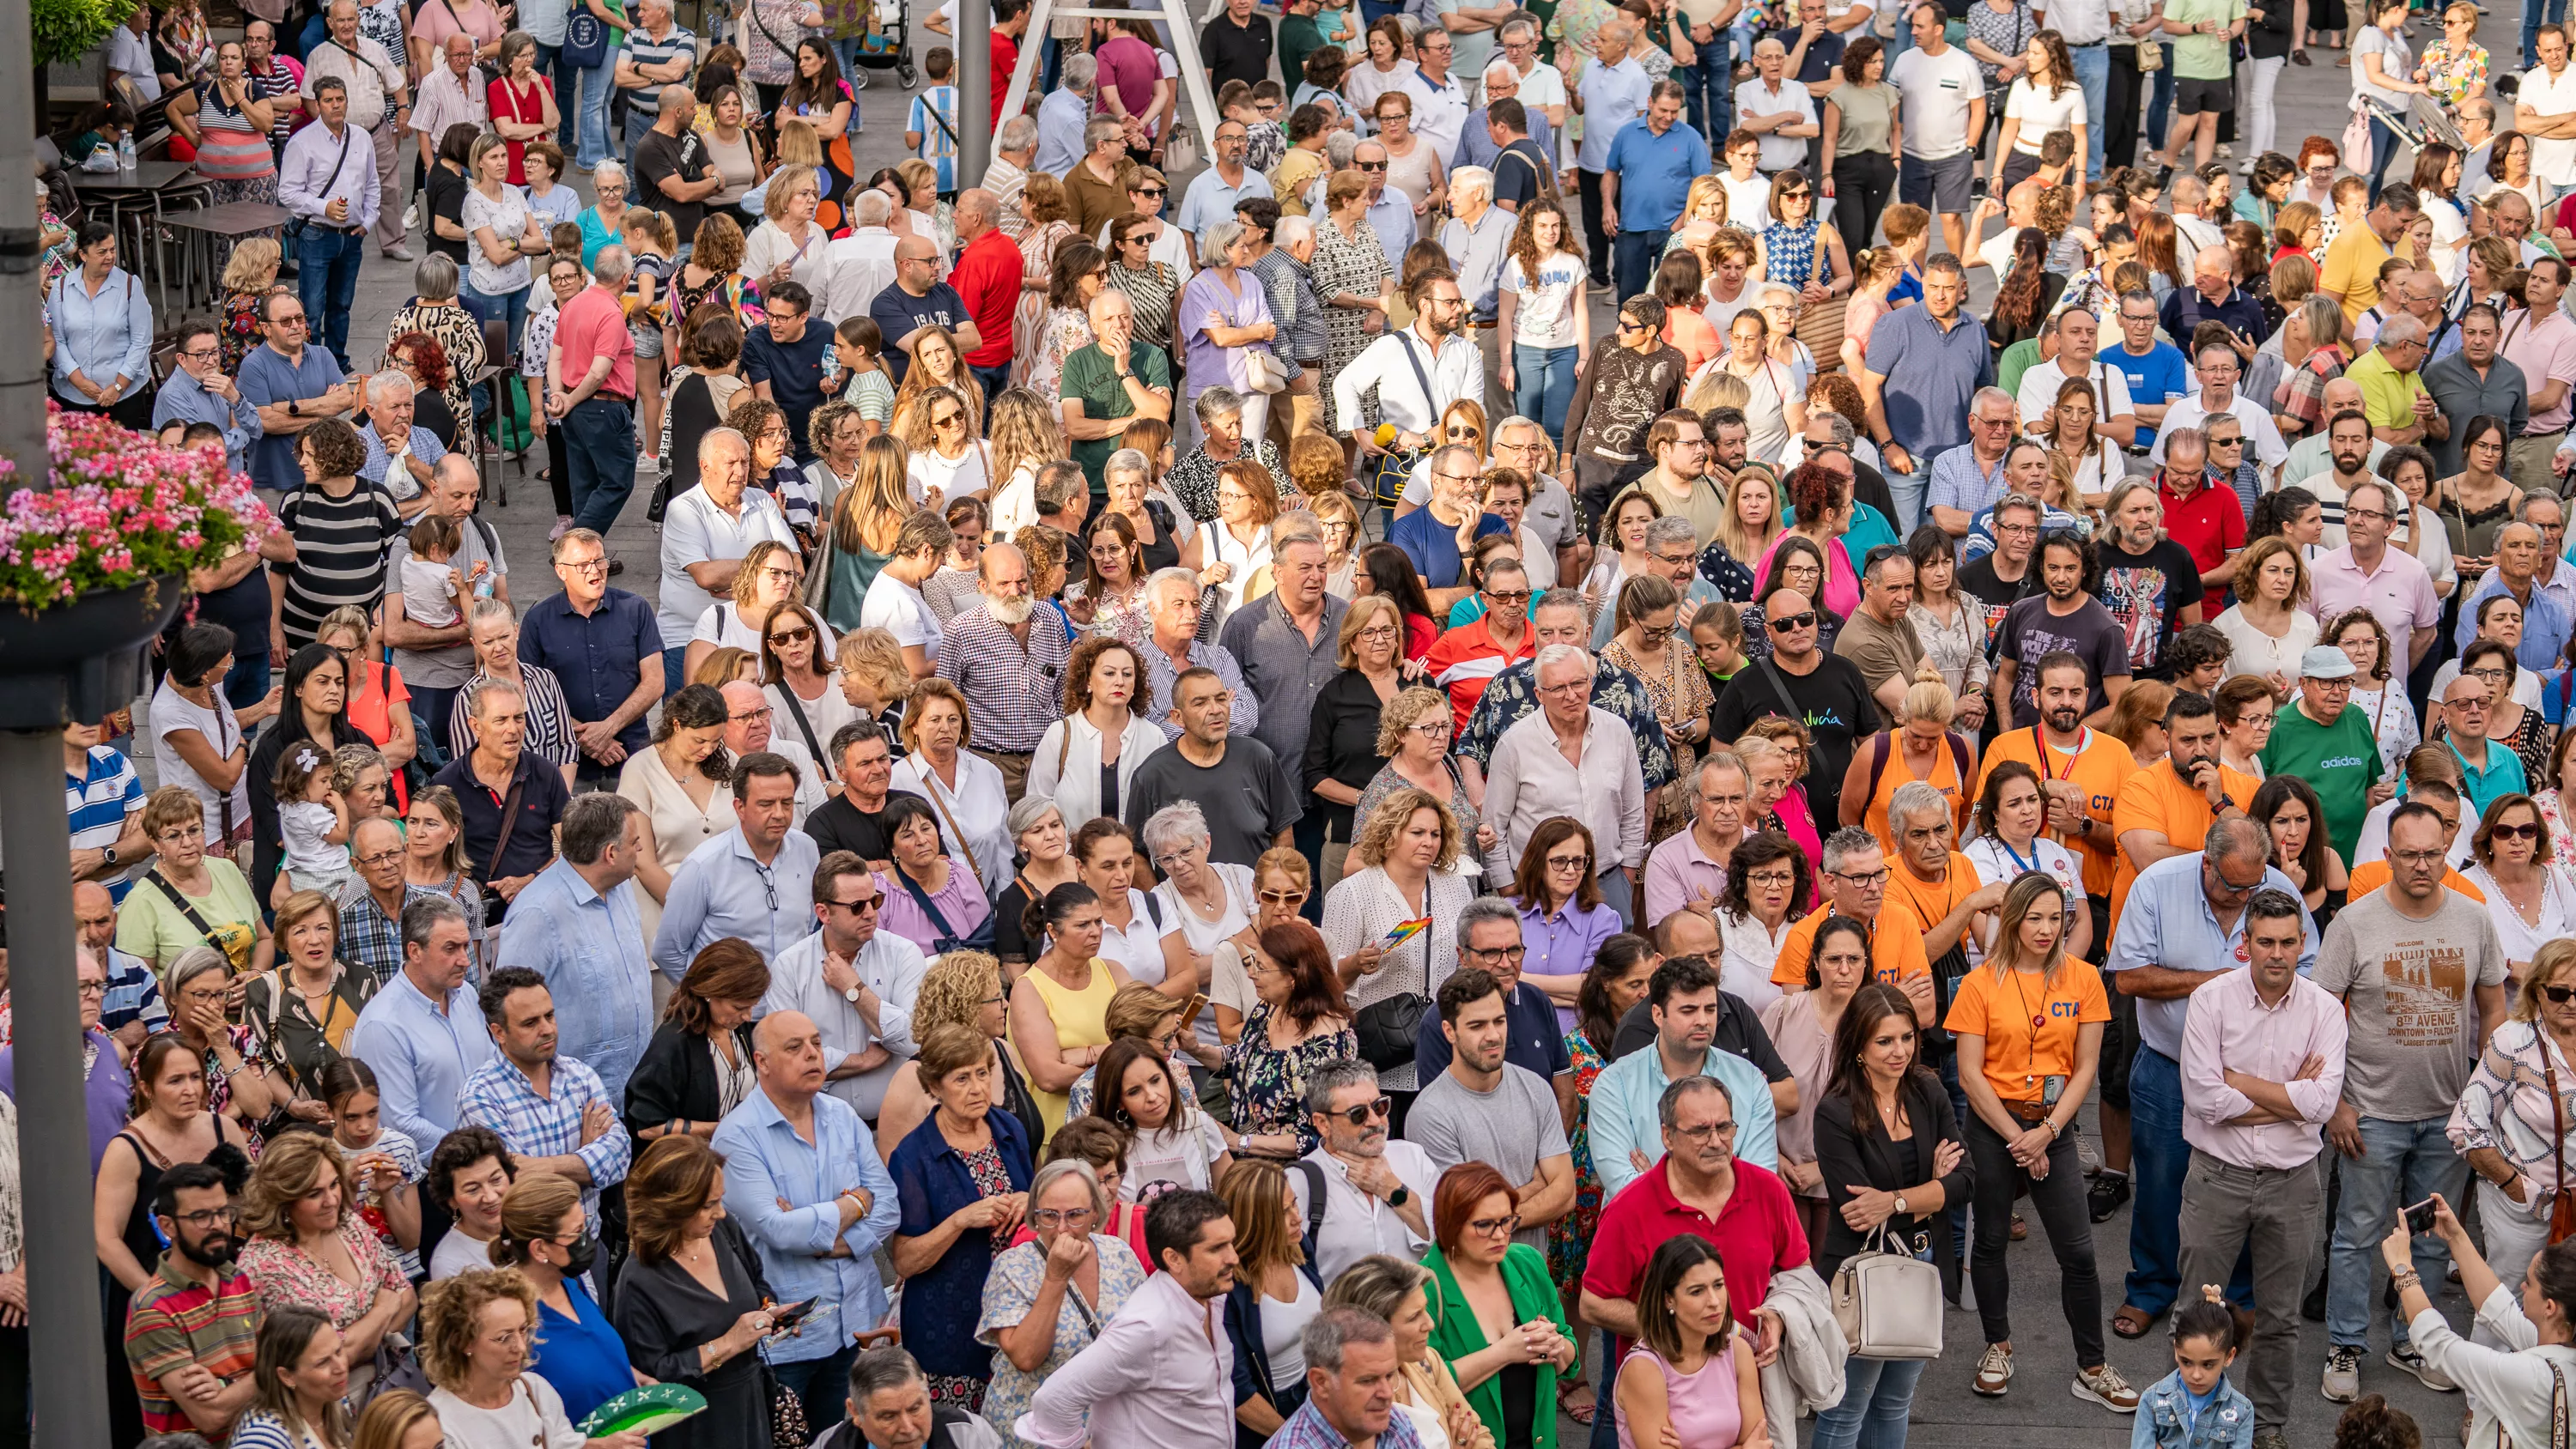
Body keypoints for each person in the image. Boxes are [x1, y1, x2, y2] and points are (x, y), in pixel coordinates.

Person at [2317, 800, 2512, 1403]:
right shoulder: (2353, 923)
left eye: (2433, 854)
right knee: (2355, 1235)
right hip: (2371, 1114)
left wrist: (2482, 1096)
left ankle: (2415, 1339)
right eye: (2410, 855)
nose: (2423, 865)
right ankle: (2345, 1347)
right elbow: (2320, 1020)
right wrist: (2338, 1105)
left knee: (2431, 1234)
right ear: (2388, 857)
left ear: (2446, 854)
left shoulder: (2475, 920)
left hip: (2448, 1117)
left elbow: (2493, 1010)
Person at [1944, 872, 2136, 1410]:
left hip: (2053, 1127)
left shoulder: (2083, 979)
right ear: (2012, 920)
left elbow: (2086, 1067)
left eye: (2057, 918)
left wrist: (2048, 1134)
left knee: (2077, 1251)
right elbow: (1969, 1074)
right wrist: (2016, 1139)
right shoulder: (1982, 982)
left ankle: (2092, 1366)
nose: (2047, 929)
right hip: (1993, 1126)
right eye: (2035, 918)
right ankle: (1997, 1345)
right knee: (1990, 1241)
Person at [1807, 981, 1967, 1448]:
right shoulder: (1834, 1112)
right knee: (1845, 1411)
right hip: (1859, 1274)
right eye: (1885, 1041)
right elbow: (1859, 1212)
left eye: (1907, 1038)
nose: (1900, 1051)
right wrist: (1932, 1192)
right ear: (1858, 1046)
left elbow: (1966, 1180)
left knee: (1896, 1403)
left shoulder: (1928, 1090)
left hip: (1921, 1266)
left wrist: (1897, 1200)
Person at [888, 1023, 1036, 1409]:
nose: (977, 1088)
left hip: (1017, 1310)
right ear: (934, 1087)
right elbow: (904, 1260)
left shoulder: (1009, 1129)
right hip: (949, 1322)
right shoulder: (914, 1155)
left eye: (983, 1073)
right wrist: (959, 1220)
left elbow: (1041, 1206)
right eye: (962, 1078)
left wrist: (1028, 1200)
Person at [605, 1134, 781, 1449]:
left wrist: (769, 1310)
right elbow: (651, 1376)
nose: (721, 1213)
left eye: (720, 1200)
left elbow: (757, 1280)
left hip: (750, 1406)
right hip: (694, 1427)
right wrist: (727, 1343)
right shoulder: (638, 1281)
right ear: (671, 1207)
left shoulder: (722, 1231)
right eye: (708, 1205)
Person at [233, 1135, 418, 1397]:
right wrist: (383, 1309)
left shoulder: (347, 1224)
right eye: (314, 1193)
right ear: (284, 1199)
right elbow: (326, 1358)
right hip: (328, 1406)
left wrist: (361, 1342)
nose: (331, 1200)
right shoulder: (265, 1264)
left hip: (389, 1383)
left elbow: (408, 1296)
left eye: (334, 1185)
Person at [1483, 647, 1648, 921]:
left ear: (1590, 682)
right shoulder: (1514, 745)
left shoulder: (1617, 731)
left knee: (1616, 963)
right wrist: (1511, 894)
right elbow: (1494, 827)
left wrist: (1625, 877)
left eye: (1578, 683)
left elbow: (1633, 814)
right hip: (1538, 890)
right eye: (1558, 688)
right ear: (1539, 695)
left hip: (1607, 883)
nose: (1571, 696)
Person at [123, 1160, 263, 1444]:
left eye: (223, 1212)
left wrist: (226, 1386)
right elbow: (209, 1417)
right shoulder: (152, 1308)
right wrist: (270, 1373)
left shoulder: (237, 1278)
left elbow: (276, 1361)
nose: (219, 1226)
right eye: (201, 1216)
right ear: (168, 1226)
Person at [348, 895, 495, 1152]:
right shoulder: (383, 1025)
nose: (465, 961)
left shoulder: (467, 996)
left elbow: (492, 1071)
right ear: (415, 951)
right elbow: (401, 1123)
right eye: (451, 949)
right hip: (432, 1176)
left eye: (465, 947)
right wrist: (476, 1151)